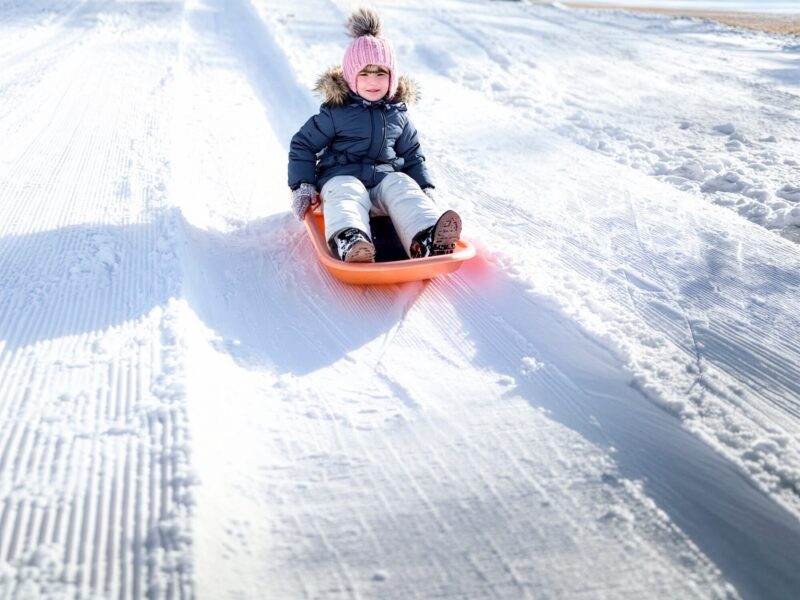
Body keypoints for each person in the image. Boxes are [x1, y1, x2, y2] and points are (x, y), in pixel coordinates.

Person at [288, 7, 462, 263]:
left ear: (392, 78)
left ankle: (426, 238)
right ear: (351, 77)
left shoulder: (398, 115)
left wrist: (423, 188)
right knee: (345, 192)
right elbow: (303, 144)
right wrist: (303, 185)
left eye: (381, 73)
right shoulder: (336, 112)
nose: (373, 81)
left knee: (403, 185)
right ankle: (351, 240)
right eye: (364, 74)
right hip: (341, 178)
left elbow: (412, 154)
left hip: (383, 184)